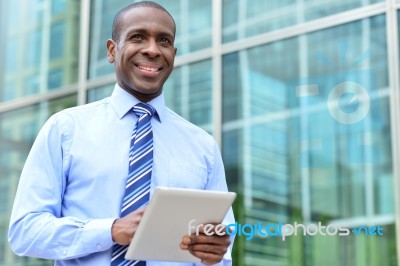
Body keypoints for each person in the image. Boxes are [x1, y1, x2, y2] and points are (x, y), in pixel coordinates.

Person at [8, 1, 235, 266]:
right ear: (112, 50)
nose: (152, 50)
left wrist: (215, 252)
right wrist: (111, 230)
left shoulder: (203, 146)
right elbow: (25, 231)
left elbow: (222, 249)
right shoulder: (65, 129)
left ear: (173, 53)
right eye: (138, 37)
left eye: (163, 41)